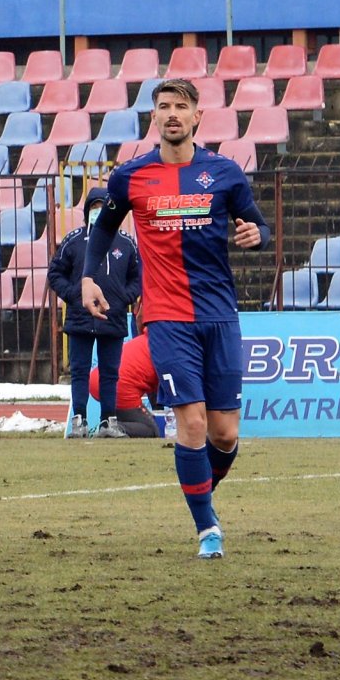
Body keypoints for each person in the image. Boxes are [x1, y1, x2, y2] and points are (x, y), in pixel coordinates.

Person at [82, 77, 270, 560]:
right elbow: (102, 230)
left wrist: (257, 236)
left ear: (196, 117)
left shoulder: (225, 173)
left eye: (180, 107)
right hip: (165, 317)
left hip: (219, 315)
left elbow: (258, 224)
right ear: (154, 117)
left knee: (224, 433)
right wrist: (88, 279)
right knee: (190, 424)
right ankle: (207, 529)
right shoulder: (131, 177)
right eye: (163, 106)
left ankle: (202, 490)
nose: (171, 114)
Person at [48, 186, 141, 439]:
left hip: (113, 316)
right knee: (78, 370)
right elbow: (55, 273)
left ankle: (107, 422)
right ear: (87, 210)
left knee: (110, 373)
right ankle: (79, 420)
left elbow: (138, 276)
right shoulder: (74, 240)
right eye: (94, 207)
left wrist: (125, 298)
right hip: (80, 318)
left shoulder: (126, 242)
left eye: (103, 207)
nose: (98, 212)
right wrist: (74, 295)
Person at [90, 330, 161, 439]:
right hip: (120, 385)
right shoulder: (167, 347)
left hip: (99, 378)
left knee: (135, 418)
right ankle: (112, 428)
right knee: (151, 429)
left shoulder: (148, 339)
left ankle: (109, 425)